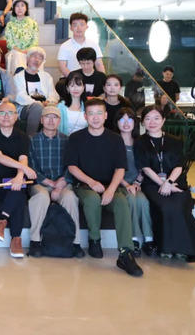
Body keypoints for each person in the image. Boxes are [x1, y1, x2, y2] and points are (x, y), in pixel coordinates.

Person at [66, 99, 143, 276]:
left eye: (99, 113)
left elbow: (120, 168)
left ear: (106, 115)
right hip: (84, 185)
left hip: (110, 186)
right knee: (93, 199)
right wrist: (91, 182)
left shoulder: (115, 139)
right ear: (85, 116)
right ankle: (94, 240)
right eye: (91, 114)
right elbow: (72, 167)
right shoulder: (76, 138)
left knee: (121, 202)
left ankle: (126, 253)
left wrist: (111, 189)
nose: (95, 117)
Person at [135, 105, 195, 262]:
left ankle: (183, 249)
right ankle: (166, 248)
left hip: (177, 182)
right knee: (165, 206)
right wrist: (162, 184)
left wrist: (169, 182)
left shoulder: (175, 141)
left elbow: (179, 165)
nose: (152, 122)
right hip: (152, 184)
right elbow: (146, 168)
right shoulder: (140, 142)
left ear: (163, 120)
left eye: (156, 118)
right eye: (148, 118)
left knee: (179, 206)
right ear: (142, 122)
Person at [27, 105, 84, 258]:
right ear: (41, 120)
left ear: (59, 121)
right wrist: (51, 184)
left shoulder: (67, 140)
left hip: (62, 183)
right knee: (41, 197)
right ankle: (35, 241)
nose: (51, 120)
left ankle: (75, 243)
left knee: (70, 197)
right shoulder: (32, 140)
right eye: (47, 116)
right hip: (40, 183)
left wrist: (61, 183)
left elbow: (72, 166)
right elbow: (31, 167)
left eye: (55, 117)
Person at [0, 102, 34, 258]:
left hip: (13, 178)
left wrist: (19, 177)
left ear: (16, 117)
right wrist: (24, 169)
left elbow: (23, 158)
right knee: (18, 195)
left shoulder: (22, 137)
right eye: (2, 113)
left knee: (18, 192)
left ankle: (2, 222)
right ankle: (16, 240)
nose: (6, 116)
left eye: (10, 113)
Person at [115, 107, 154, 257]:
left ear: (135, 122)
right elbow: (111, 168)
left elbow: (145, 167)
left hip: (137, 183)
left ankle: (149, 239)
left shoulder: (140, 143)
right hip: (119, 183)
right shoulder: (113, 142)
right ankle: (134, 239)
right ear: (117, 123)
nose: (126, 123)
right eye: (122, 120)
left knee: (143, 201)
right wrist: (126, 184)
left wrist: (137, 182)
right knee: (131, 200)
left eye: (129, 119)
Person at [13, 47, 59, 136]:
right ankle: (30, 139)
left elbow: (53, 94)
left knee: (59, 108)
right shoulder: (18, 77)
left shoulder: (46, 76)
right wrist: (39, 104)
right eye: (34, 56)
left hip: (46, 106)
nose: (37, 60)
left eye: (40, 57)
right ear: (27, 58)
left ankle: (53, 139)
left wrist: (49, 102)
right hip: (26, 107)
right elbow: (20, 96)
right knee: (37, 107)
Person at [57, 12, 105, 78]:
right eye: (75, 25)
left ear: (86, 27)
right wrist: (74, 80)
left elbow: (99, 64)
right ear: (71, 28)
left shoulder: (94, 45)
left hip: (90, 79)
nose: (79, 28)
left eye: (82, 25)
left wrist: (103, 79)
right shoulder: (64, 46)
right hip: (70, 80)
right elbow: (62, 67)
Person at [3, 0, 38, 74]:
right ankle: (20, 76)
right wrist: (21, 51)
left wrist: (27, 50)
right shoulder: (10, 24)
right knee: (18, 55)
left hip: (29, 51)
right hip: (14, 52)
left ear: (26, 8)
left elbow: (35, 41)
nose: (20, 8)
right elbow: (10, 43)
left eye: (22, 5)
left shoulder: (33, 24)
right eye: (17, 6)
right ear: (14, 9)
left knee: (38, 53)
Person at [56, 71, 88, 136]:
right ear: (67, 88)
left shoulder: (88, 107)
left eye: (79, 85)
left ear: (83, 87)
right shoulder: (60, 107)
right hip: (65, 140)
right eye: (72, 85)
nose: (75, 89)